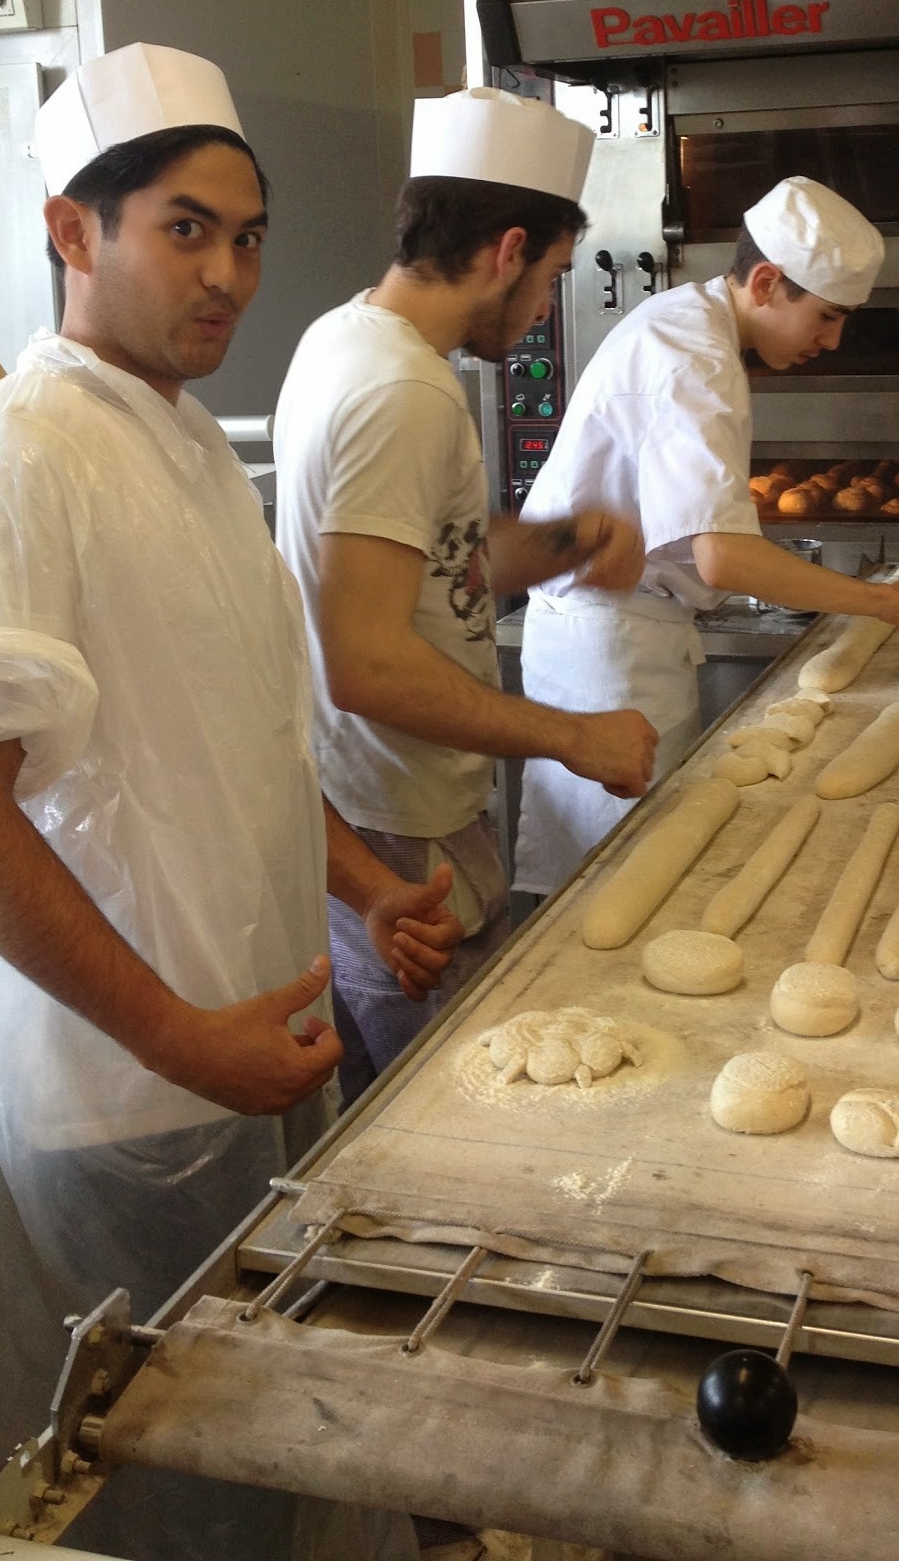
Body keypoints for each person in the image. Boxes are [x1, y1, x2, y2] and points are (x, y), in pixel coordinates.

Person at [0, 44, 453, 1561]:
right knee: (152, 1505)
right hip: (119, 1102)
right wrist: (178, 1035)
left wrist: (366, 884)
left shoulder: (180, 447)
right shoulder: (16, 467)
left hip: (240, 1051)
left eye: (246, 236)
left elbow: (232, 746)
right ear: (73, 229)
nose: (228, 273)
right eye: (185, 229)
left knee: (252, 1476)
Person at [275, 85, 655, 1100]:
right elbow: (366, 661)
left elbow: (435, 563)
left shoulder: (345, 336)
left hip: (380, 802)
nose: (545, 310)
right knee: (451, 1112)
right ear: (507, 249)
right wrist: (573, 736)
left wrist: (570, 540)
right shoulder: (403, 391)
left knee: (389, 1105)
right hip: (397, 824)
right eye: (551, 278)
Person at [513, 174, 899, 896]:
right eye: (825, 317)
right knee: (615, 888)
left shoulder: (688, 320)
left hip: (628, 633)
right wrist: (882, 601)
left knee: (642, 874)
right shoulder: (693, 357)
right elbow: (721, 557)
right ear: (765, 282)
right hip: (608, 655)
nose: (833, 341)